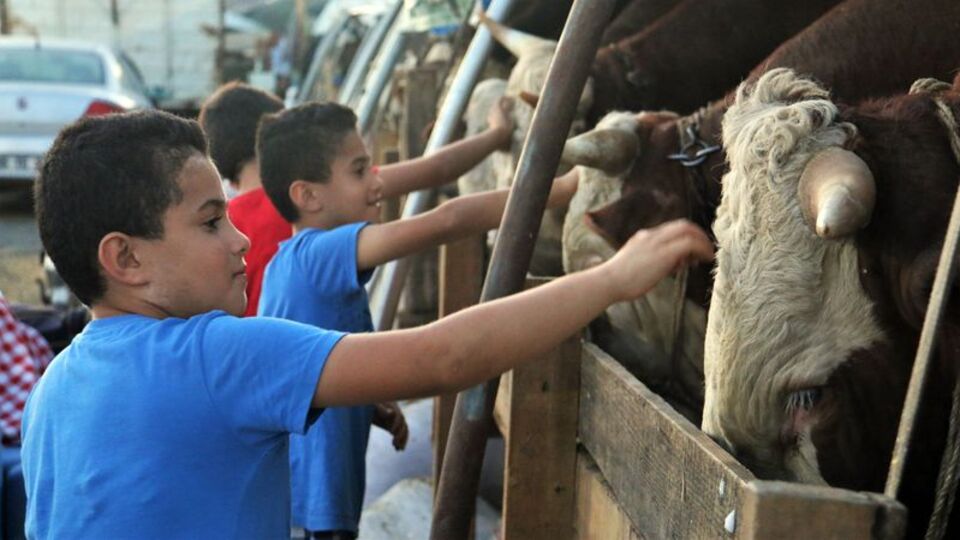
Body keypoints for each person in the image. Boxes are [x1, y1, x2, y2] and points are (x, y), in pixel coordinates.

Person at [22, 110, 713, 538]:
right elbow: (443, 357)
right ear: (125, 258)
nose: (240, 241)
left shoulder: (52, 389)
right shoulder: (214, 352)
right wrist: (612, 278)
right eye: (210, 223)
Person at [198, 82, 515, 317]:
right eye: (361, 170)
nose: (373, 181)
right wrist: (498, 137)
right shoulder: (327, 204)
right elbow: (438, 176)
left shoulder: (227, 228)